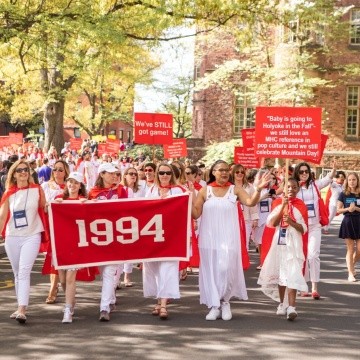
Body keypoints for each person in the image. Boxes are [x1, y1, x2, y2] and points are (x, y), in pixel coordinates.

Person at [191, 160, 271, 321]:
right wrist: (187, 198)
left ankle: (225, 301)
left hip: (229, 237)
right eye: (221, 170)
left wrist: (259, 189)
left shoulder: (235, 189)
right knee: (212, 271)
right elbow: (195, 214)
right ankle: (215, 305)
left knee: (226, 269)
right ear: (213, 172)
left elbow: (250, 202)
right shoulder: (205, 191)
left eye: (227, 170)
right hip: (209, 238)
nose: (225, 172)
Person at [0, 159, 47, 324]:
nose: (23, 172)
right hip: (12, 236)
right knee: (17, 273)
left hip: (32, 234)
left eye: (26, 170)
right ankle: (19, 305)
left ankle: (22, 309)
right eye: (19, 170)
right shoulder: (8, 194)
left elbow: (46, 207)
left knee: (25, 270)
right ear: (14, 174)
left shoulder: (37, 189)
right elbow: (3, 216)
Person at [258, 178, 308, 321]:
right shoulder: (277, 203)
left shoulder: (301, 205)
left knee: (292, 272)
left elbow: (304, 228)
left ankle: (292, 307)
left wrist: (292, 222)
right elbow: (272, 223)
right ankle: (282, 303)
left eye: (294, 187)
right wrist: (283, 208)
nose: (291, 189)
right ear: (283, 188)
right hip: (280, 242)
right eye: (288, 187)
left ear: (298, 189)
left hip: (294, 243)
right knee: (282, 274)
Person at [143, 163, 186, 320]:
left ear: (172, 174)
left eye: (168, 172)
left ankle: (163, 305)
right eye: (161, 172)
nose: (164, 175)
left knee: (167, 270)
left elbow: (185, 211)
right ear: (157, 174)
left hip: (172, 237)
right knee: (154, 271)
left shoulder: (179, 191)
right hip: (153, 236)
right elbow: (143, 210)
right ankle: (158, 300)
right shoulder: (151, 190)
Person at [88, 162, 128, 321]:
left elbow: (129, 209)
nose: (114, 176)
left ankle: (104, 308)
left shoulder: (121, 190)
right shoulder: (92, 193)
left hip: (116, 236)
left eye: (116, 173)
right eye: (111, 173)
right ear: (102, 174)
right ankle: (110, 299)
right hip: (98, 238)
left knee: (110, 271)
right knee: (104, 272)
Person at [294, 161, 336, 299]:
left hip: (314, 226)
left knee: (313, 256)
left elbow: (328, 178)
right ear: (297, 173)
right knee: (301, 256)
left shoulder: (315, 185)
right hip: (299, 227)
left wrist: (334, 169)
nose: (304, 174)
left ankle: (314, 287)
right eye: (301, 172)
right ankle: (302, 286)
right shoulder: (294, 187)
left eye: (306, 171)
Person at [53, 171, 88, 323]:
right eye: (70, 182)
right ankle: (70, 300)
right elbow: (47, 211)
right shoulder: (59, 199)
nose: (72, 185)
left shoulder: (83, 200)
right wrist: (53, 205)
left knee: (70, 276)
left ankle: (67, 309)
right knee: (62, 278)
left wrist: (88, 205)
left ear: (80, 186)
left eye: (76, 182)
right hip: (60, 243)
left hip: (77, 243)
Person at [41, 160, 70, 304]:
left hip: (65, 228)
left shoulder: (70, 187)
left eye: (61, 170)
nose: (57, 172)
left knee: (59, 258)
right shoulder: (45, 186)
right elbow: (40, 205)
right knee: (52, 257)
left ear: (66, 172)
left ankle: (54, 288)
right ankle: (54, 287)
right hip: (50, 226)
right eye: (55, 169)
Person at [337, 172, 360, 282]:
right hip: (348, 222)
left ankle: (351, 264)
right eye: (350, 180)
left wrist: (356, 208)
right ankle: (350, 272)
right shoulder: (343, 194)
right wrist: (348, 209)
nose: (352, 182)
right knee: (350, 249)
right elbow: (338, 209)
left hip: (359, 221)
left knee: (359, 250)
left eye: (354, 179)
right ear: (347, 181)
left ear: (357, 181)